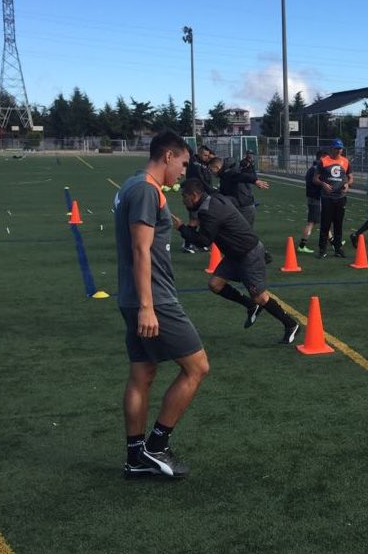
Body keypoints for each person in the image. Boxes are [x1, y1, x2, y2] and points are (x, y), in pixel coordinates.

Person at [114, 130, 208, 478]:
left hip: (137, 297)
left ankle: (135, 458)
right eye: (183, 163)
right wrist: (148, 306)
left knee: (143, 372)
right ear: (168, 156)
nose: (184, 172)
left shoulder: (134, 185)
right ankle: (155, 447)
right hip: (153, 299)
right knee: (197, 368)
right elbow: (141, 250)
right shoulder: (144, 190)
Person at [173, 179, 300, 344]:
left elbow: (204, 241)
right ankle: (250, 305)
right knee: (215, 285)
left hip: (249, 253)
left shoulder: (209, 211)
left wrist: (182, 228)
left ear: (195, 195)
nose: (183, 201)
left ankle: (291, 324)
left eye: (184, 197)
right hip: (235, 253)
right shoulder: (212, 199)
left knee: (260, 297)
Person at [314, 138, 353, 258]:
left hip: (341, 197)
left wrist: (347, 184)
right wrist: (323, 184)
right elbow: (315, 179)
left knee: (338, 224)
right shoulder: (323, 161)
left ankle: (338, 248)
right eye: (336, 148)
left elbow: (350, 177)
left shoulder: (346, 161)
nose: (338, 151)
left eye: (340, 148)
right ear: (331, 149)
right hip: (327, 197)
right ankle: (322, 249)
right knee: (325, 224)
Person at [210, 156, 270, 227]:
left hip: (244, 207)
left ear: (217, 167)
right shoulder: (225, 173)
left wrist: (255, 181)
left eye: (211, 170)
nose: (211, 172)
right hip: (239, 205)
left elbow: (241, 176)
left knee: (244, 232)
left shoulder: (229, 173)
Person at [181, 145, 215, 253]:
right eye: (205, 155)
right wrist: (212, 190)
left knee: (201, 219)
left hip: (201, 194)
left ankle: (198, 242)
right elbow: (201, 179)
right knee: (194, 220)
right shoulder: (195, 163)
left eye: (207, 156)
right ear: (199, 153)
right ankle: (187, 244)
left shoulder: (203, 163)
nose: (206, 157)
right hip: (193, 195)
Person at [298, 149, 327, 254]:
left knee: (324, 221)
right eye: (325, 158)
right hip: (315, 199)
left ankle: (334, 242)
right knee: (311, 223)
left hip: (313, 198)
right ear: (321, 158)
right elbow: (316, 184)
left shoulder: (312, 169)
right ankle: (302, 245)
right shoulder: (316, 170)